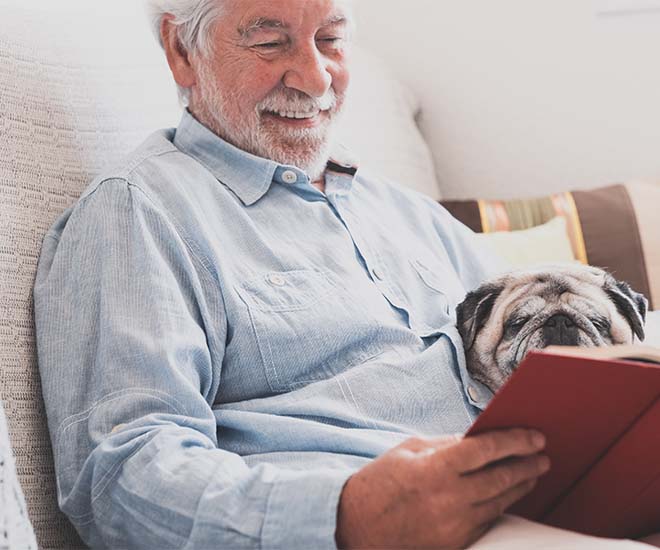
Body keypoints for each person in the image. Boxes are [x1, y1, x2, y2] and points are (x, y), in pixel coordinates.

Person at [33, 0, 552, 548]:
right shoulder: (138, 213)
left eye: (330, 39)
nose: (314, 76)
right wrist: (343, 516)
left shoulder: (407, 212)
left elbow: (540, 353)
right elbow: (122, 475)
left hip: (546, 499)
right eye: (269, 42)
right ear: (182, 51)